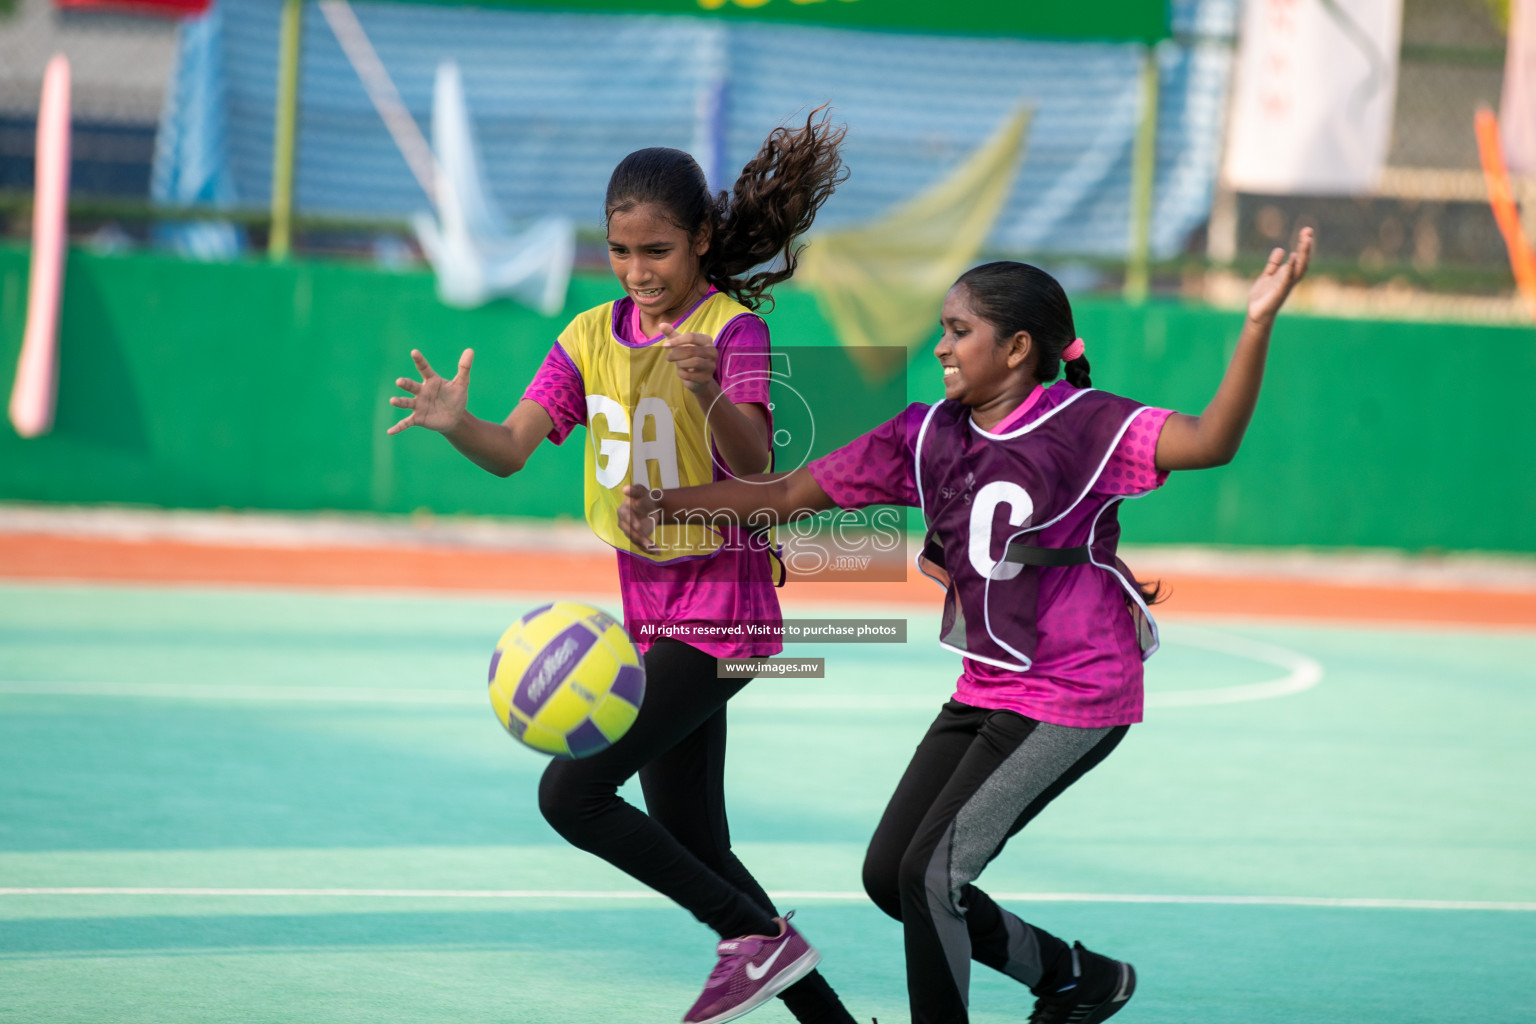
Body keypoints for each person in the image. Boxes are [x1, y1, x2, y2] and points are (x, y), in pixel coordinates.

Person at [617, 229, 1315, 1024]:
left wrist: (1256, 323)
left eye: (960, 331)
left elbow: (1212, 440)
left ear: (1017, 348)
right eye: (943, 328)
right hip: (988, 689)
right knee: (891, 876)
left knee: (929, 876)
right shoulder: (927, 435)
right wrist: (670, 507)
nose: (942, 345)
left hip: (1073, 695)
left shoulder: (1087, 426)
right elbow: (781, 497)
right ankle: (1075, 977)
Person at [387, 112, 857, 1024]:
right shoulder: (588, 337)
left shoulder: (731, 331)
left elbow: (758, 463)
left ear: (702, 242)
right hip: (649, 618)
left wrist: (709, 388)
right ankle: (825, 1011)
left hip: (724, 617)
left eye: (659, 252)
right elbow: (514, 447)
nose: (640, 272)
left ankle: (757, 941)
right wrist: (459, 427)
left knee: (572, 792)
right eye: (621, 251)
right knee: (695, 841)